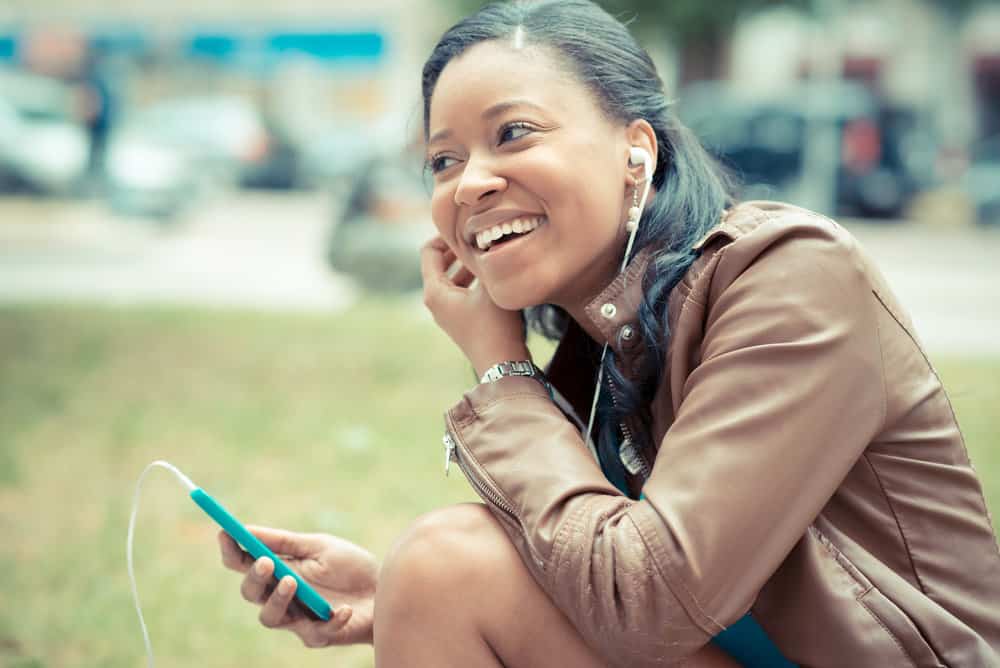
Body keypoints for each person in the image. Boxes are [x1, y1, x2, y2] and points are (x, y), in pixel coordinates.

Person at [217, 1, 1000, 666]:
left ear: (637, 149)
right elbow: (602, 580)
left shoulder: (791, 275)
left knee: (445, 565)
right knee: (439, 571)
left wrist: (501, 369)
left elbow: (651, 600)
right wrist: (393, 600)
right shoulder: (600, 346)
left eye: (514, 133)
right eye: (443, 159)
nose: (472, 182)